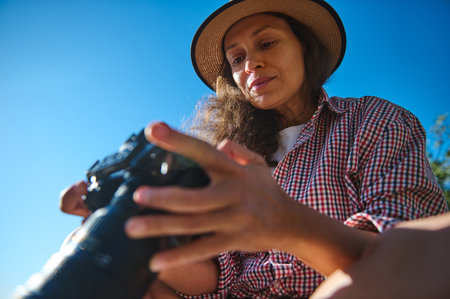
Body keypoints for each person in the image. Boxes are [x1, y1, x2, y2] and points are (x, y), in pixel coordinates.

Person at [60, 0, 448, 298]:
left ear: (304, 49)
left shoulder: (373, 120)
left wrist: (289, 225)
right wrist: (134, 229)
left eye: (267, 42)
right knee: (99, 252)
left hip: (350, 289)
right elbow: (218, 276)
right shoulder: (224, 157)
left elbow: (412, 252)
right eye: (237, 58)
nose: (252, 64)